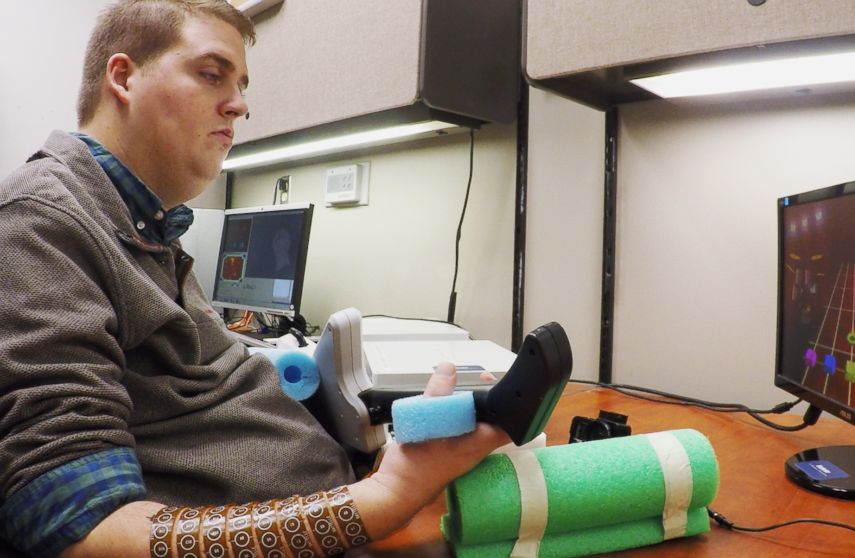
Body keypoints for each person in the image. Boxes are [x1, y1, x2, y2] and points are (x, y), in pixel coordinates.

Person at [0, 2, 508, 557]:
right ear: (123, 77)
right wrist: (388, 495)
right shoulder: (40, 223)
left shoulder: (145, 227)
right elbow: (80, 532)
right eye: (212, 74)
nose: (240, 104)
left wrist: (368, 456)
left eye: (241, 84)